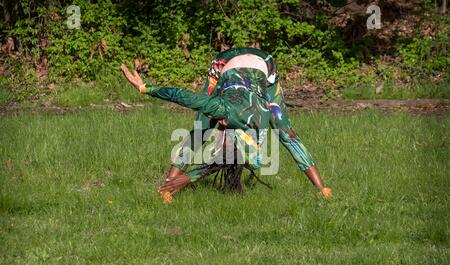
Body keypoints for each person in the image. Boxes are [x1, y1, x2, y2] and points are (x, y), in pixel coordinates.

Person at [121, 48, 332, 202]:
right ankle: (166, 188)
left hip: (264, 68)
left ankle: (322, 189)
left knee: (285, 132)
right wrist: (145, 88)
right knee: (202, 130)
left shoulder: (261, 128)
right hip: (224, 64)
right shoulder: (220, 108)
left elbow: (231, 159)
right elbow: (182, 96)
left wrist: (190, 178)